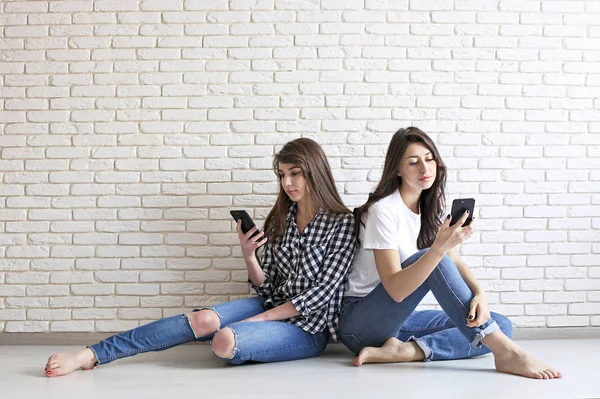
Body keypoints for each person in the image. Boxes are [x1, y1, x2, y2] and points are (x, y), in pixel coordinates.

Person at [45, 138, 356, 377]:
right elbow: (268, 287)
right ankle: (93, 354)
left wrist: (255, 320)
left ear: (315, 171)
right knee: (204, 318)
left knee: (224, 341)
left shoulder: (342, 223)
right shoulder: (280, 219)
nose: (287, 183)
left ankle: (235, 337)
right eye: (282, 175)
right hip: (272, 305)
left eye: (295, 174)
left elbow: (321, 295)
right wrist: (249, 256)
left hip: (307, 328)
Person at [338, 127, 561, 380]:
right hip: (361, 324)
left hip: (399, 321)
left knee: (499, 324)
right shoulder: (382, 212)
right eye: (413, 162)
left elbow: (453, 259)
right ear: (397, 169)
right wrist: (438, 249)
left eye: (429, 159)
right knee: (437, 262)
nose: (424, 168)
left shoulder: (428, 210)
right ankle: (508, 354)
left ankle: (407, 351)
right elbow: (396, 290)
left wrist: (480, 293)